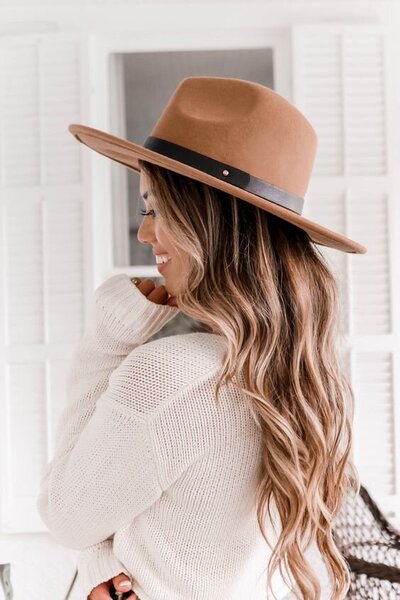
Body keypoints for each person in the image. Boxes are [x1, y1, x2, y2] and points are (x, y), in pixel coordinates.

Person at [37, 76, 367, 600]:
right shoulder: (299, 374)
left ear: (209, 221)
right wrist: (107, 561)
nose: (145, 234)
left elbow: (66, 514)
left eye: (155, 208)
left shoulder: (170, 375)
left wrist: (106, 340)